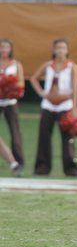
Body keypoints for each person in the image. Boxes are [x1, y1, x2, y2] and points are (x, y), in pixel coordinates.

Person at [30, 38, 77, 176]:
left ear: (67, 50)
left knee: (67, 138)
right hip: (48, 105)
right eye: (57, 47)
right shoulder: (48, 65)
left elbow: (75, 88)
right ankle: (42, 167)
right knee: (44, 136)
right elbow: (34, 78)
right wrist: (41, 93)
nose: (60, 50)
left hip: (65, 105)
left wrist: (74, 108)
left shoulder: (71, 66)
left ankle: (71, 168)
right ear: (53, 50)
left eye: (63, 48)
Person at [0, 39, 24, 174]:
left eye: (6, 47)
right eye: (1, 47)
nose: (4, 50)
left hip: (10, 102)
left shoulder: (16, 64)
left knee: (15, 133)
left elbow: (20, 84)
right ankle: (13, 162)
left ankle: (18, 162)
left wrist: (10, 88)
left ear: (10, 49)